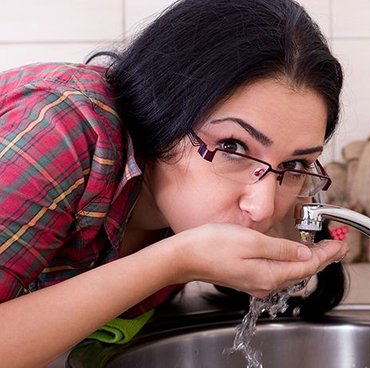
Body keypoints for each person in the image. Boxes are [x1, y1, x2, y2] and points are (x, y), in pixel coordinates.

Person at [0, 0, 349, 366]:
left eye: (294, 163)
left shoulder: (186, 204)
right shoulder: (63, 125)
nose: (262, 207)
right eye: (232, 146)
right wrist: (173, 262)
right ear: (164, 111)